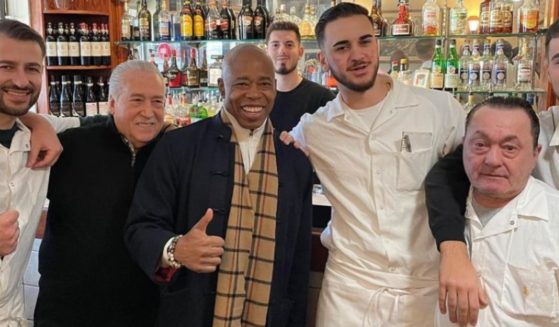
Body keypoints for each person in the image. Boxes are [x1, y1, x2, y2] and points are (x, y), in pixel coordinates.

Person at [284, 3, 465, 326]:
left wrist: (459, 251)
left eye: (365, 41)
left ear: (377, 42)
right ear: (323, 60)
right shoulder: (314, 129)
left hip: (426, 287)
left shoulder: (440, 110)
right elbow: (272, 159)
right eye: (342, 47)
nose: (358, 55)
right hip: (350, 291)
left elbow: (474, 180)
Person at [125, 44, 313, 326]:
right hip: (190, 314)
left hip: (271, 315)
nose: (254, 94)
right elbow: (139, 227)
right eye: (241, 84)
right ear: (222, 87)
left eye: (264, 84)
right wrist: (176, 249)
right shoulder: (178, 147)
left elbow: (299, 262)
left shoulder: (294, 161)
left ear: (274, 88)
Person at [426, 18, 559, 327]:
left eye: (510, 148)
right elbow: (443, 176)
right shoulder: (535, 126)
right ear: (547, 70)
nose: (493, 158)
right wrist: (453, 246)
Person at [33, 60, 166, 326]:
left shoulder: (172, 152)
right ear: (113, 103)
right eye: (137, 100)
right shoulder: (72, 145)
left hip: (144, 309)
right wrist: (35, 121)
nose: (149, 112)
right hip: (68, 310)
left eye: (157, 101)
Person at [0, 19, 66, 324]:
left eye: (32, 69)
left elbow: (115, 122)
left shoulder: (38, 132)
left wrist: (39, 122)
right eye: (6, 66)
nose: (21, 80)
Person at [265, 21, 335, 132]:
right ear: (266, 52)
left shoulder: (322, 98)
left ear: (300, 52)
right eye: (275, 45)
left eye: (289, 45)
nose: (282, 50)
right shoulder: (259, 98)